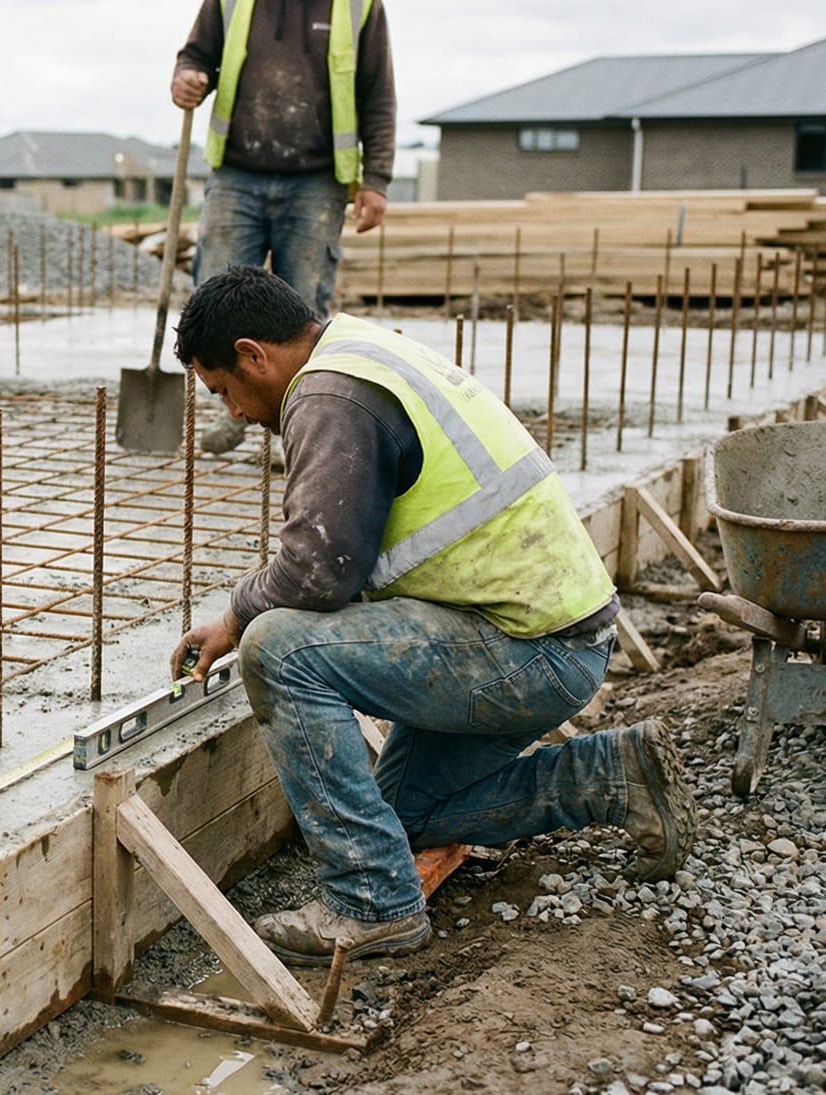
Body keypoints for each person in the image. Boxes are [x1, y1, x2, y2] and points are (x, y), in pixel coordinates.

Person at [169, 267, 694, 966]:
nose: (232, 412)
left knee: (280, 649)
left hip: (524, 650)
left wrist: (236, 617)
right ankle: (610, 774)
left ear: (253, 354)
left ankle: (368, 903)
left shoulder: (326, 395)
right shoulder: (360, 348)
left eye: (224, 390)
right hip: (555, 638)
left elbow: (318, 573)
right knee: (403, 817)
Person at [172, 0, 397, 455]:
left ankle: (295, 422)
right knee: (215, 295)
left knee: (302, 309)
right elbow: (196, 55)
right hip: (237, 171)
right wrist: (188, 78)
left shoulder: (358, 6)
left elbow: (377, 94)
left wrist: (376, 180)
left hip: (317, 178)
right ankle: (231, 407)